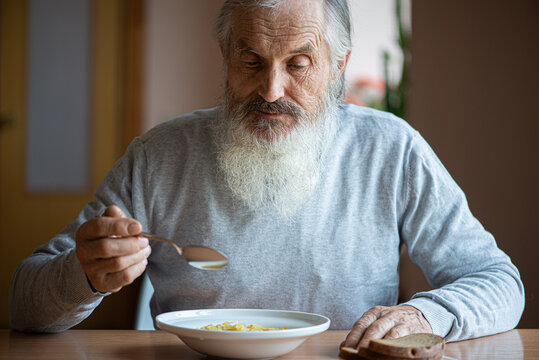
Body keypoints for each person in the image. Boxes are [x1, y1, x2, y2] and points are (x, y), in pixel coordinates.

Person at [9, 0, 524, 351]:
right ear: (225, 55)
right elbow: (23, 303)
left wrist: (427, 316)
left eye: (298, 64)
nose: (271, 90)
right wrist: (82, 274)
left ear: (338, 66)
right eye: (251, 60)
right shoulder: (158, 156)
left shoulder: (391, 149)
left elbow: (500, 282)